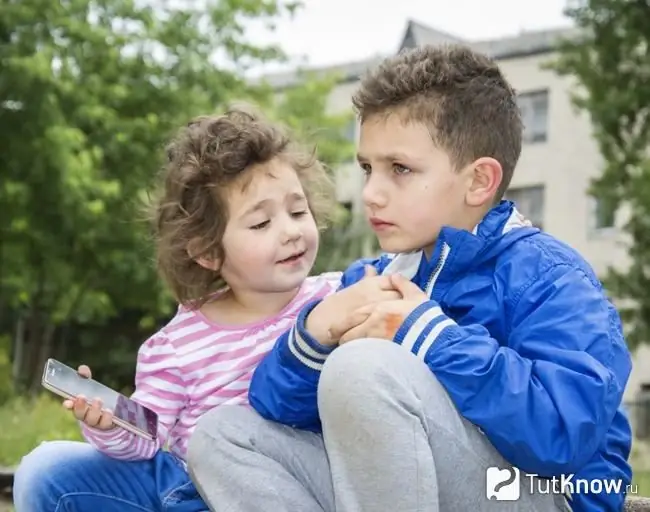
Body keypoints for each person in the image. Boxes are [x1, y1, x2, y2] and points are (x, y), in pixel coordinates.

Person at [187, 45, 633, 512]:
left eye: (399, 169)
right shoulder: (373, 278)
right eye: (366, 168)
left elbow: (563, 434)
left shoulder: (549, 277)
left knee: (363, 367)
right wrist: (314, 333)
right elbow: (279, 411)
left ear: (479, 181)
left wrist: (429, 337)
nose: (371, 194)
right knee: (223, 435)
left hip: (539, 496)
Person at [13, 107, 394, 511]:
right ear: (208, 252)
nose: (290, 231)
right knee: (43, 469)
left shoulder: (338, 294)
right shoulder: (178, 344)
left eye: (298, 211)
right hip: (188, 489)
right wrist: (106, 425)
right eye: (261, 223)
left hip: (293, 486)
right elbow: (148, 437)